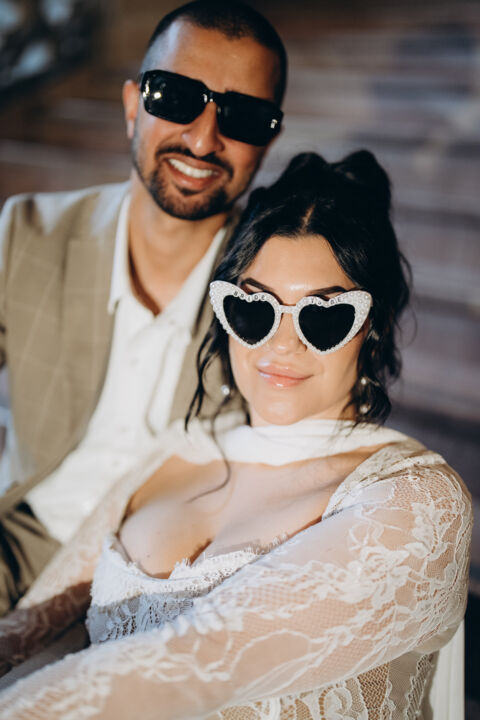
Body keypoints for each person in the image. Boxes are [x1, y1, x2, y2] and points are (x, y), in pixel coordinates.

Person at [0, 150, 471, 718]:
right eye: (254, 309)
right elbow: (28, 628)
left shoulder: (415, 502)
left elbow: (193, 662)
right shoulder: (171, 453)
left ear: (372, 326)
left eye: (323, 316)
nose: (281, 344)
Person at [0, 0, 287, 614]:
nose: (203, 139)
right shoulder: (26, 234)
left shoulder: (277, 286)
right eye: (175, 98)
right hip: (19, 549)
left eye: (242, 117)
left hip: (168, 585)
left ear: (268, 142)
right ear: (133, 106)